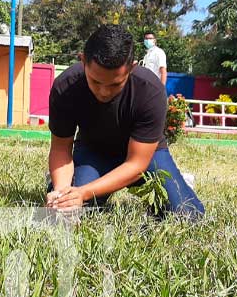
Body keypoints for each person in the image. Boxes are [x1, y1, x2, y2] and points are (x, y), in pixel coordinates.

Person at [45, 24, 204, 219]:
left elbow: (136, 164)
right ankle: (71, 179)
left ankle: (178, 182)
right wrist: (64, 194)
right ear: (83, 61)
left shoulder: (150, 90)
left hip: (145, 157)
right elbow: (61, 148)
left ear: (132, 67)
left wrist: (83, 192)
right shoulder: (66, 86)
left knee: (187, 215)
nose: (103, 92)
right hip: (93, 153)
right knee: (78, 214)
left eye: (115, 84)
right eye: (95, 81)